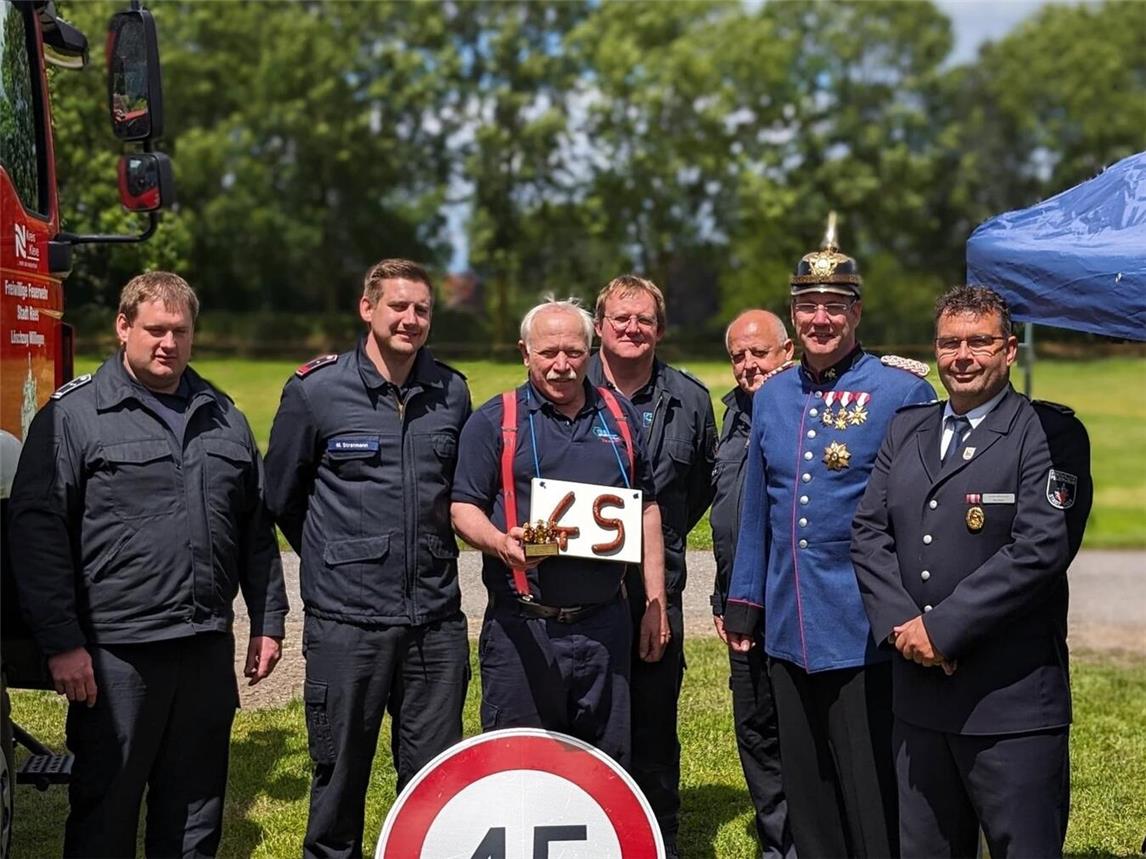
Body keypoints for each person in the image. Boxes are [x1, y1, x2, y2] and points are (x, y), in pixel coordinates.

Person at [8, 272, 286, 858]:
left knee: (195, 811)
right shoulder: (74, 416)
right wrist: (62, 643)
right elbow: (38, 536)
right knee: (106, 808)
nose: (168, 343)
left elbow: (255, 531)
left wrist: (268, 621)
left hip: (204, 647)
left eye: (180, 331)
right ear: (123, 327)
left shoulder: (222, 416)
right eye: (155, 329)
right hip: (117, 655)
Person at [851, 285, 1092, 858]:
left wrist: (942, 629)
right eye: (949, 343)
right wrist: (904, 627)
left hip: (1008, 704)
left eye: (979, 342)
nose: (962, 356)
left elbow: (1040, 548)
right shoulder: (907, 429)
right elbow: (867, 533)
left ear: (1009, 350)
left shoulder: (1049, 433)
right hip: (919, 699)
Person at [723, 216, 936, 858]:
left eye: (834, 306)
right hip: (790, 626)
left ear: (856, 313)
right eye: (808, 306)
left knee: (870, 793)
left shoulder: (901, 391)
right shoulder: (772, 396)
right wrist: (746, 602)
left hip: (864, 627)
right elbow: (758, 507)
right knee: (807, 790)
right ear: (794, 314)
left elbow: (919, 516)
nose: (821, 319)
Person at [264, 259, 471, 859]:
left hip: (434, 622)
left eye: (422, 309)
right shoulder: (316, 391)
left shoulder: (451, 392)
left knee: (435, 785)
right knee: (338, 781)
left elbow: (462, 491)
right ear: (367, 308)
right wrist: (337, 555)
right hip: (347, 624)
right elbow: (281, 496)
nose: (411, 319)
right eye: (398, 306)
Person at [451, 297, 669, 767]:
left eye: (573, 352)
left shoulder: (620, 416)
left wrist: (655, 603)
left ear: (590, 352)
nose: (562, 365)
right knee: (519, 764)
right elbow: (463, 507)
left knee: (605, 766)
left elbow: (647, 507)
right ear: (525, 353)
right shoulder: (496, 421)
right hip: (524, 628)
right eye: (548, 353)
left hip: (604, 625)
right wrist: (500, 544)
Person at [586, 275, 716, 855]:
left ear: (660, 329)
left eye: (644, 319)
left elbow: (700, 488)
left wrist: (660, 550)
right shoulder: (569, 384)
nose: (633, 328)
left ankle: (657, 839)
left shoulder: (690, 400)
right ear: (599, 326)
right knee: (586, 719)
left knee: (655, 725)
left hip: (659, 591)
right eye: (621, 318)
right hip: (582, 590)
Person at [710, 309, 796, 859]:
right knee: (757, 732)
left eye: (759, 353)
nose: (748, 364)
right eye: (738, 355)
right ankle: (778, 845)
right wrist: (722, 597)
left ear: (787, 353)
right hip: (741, 611)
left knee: (800, 734)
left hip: (794, 607)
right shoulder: (732, 418)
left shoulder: (806, 410)